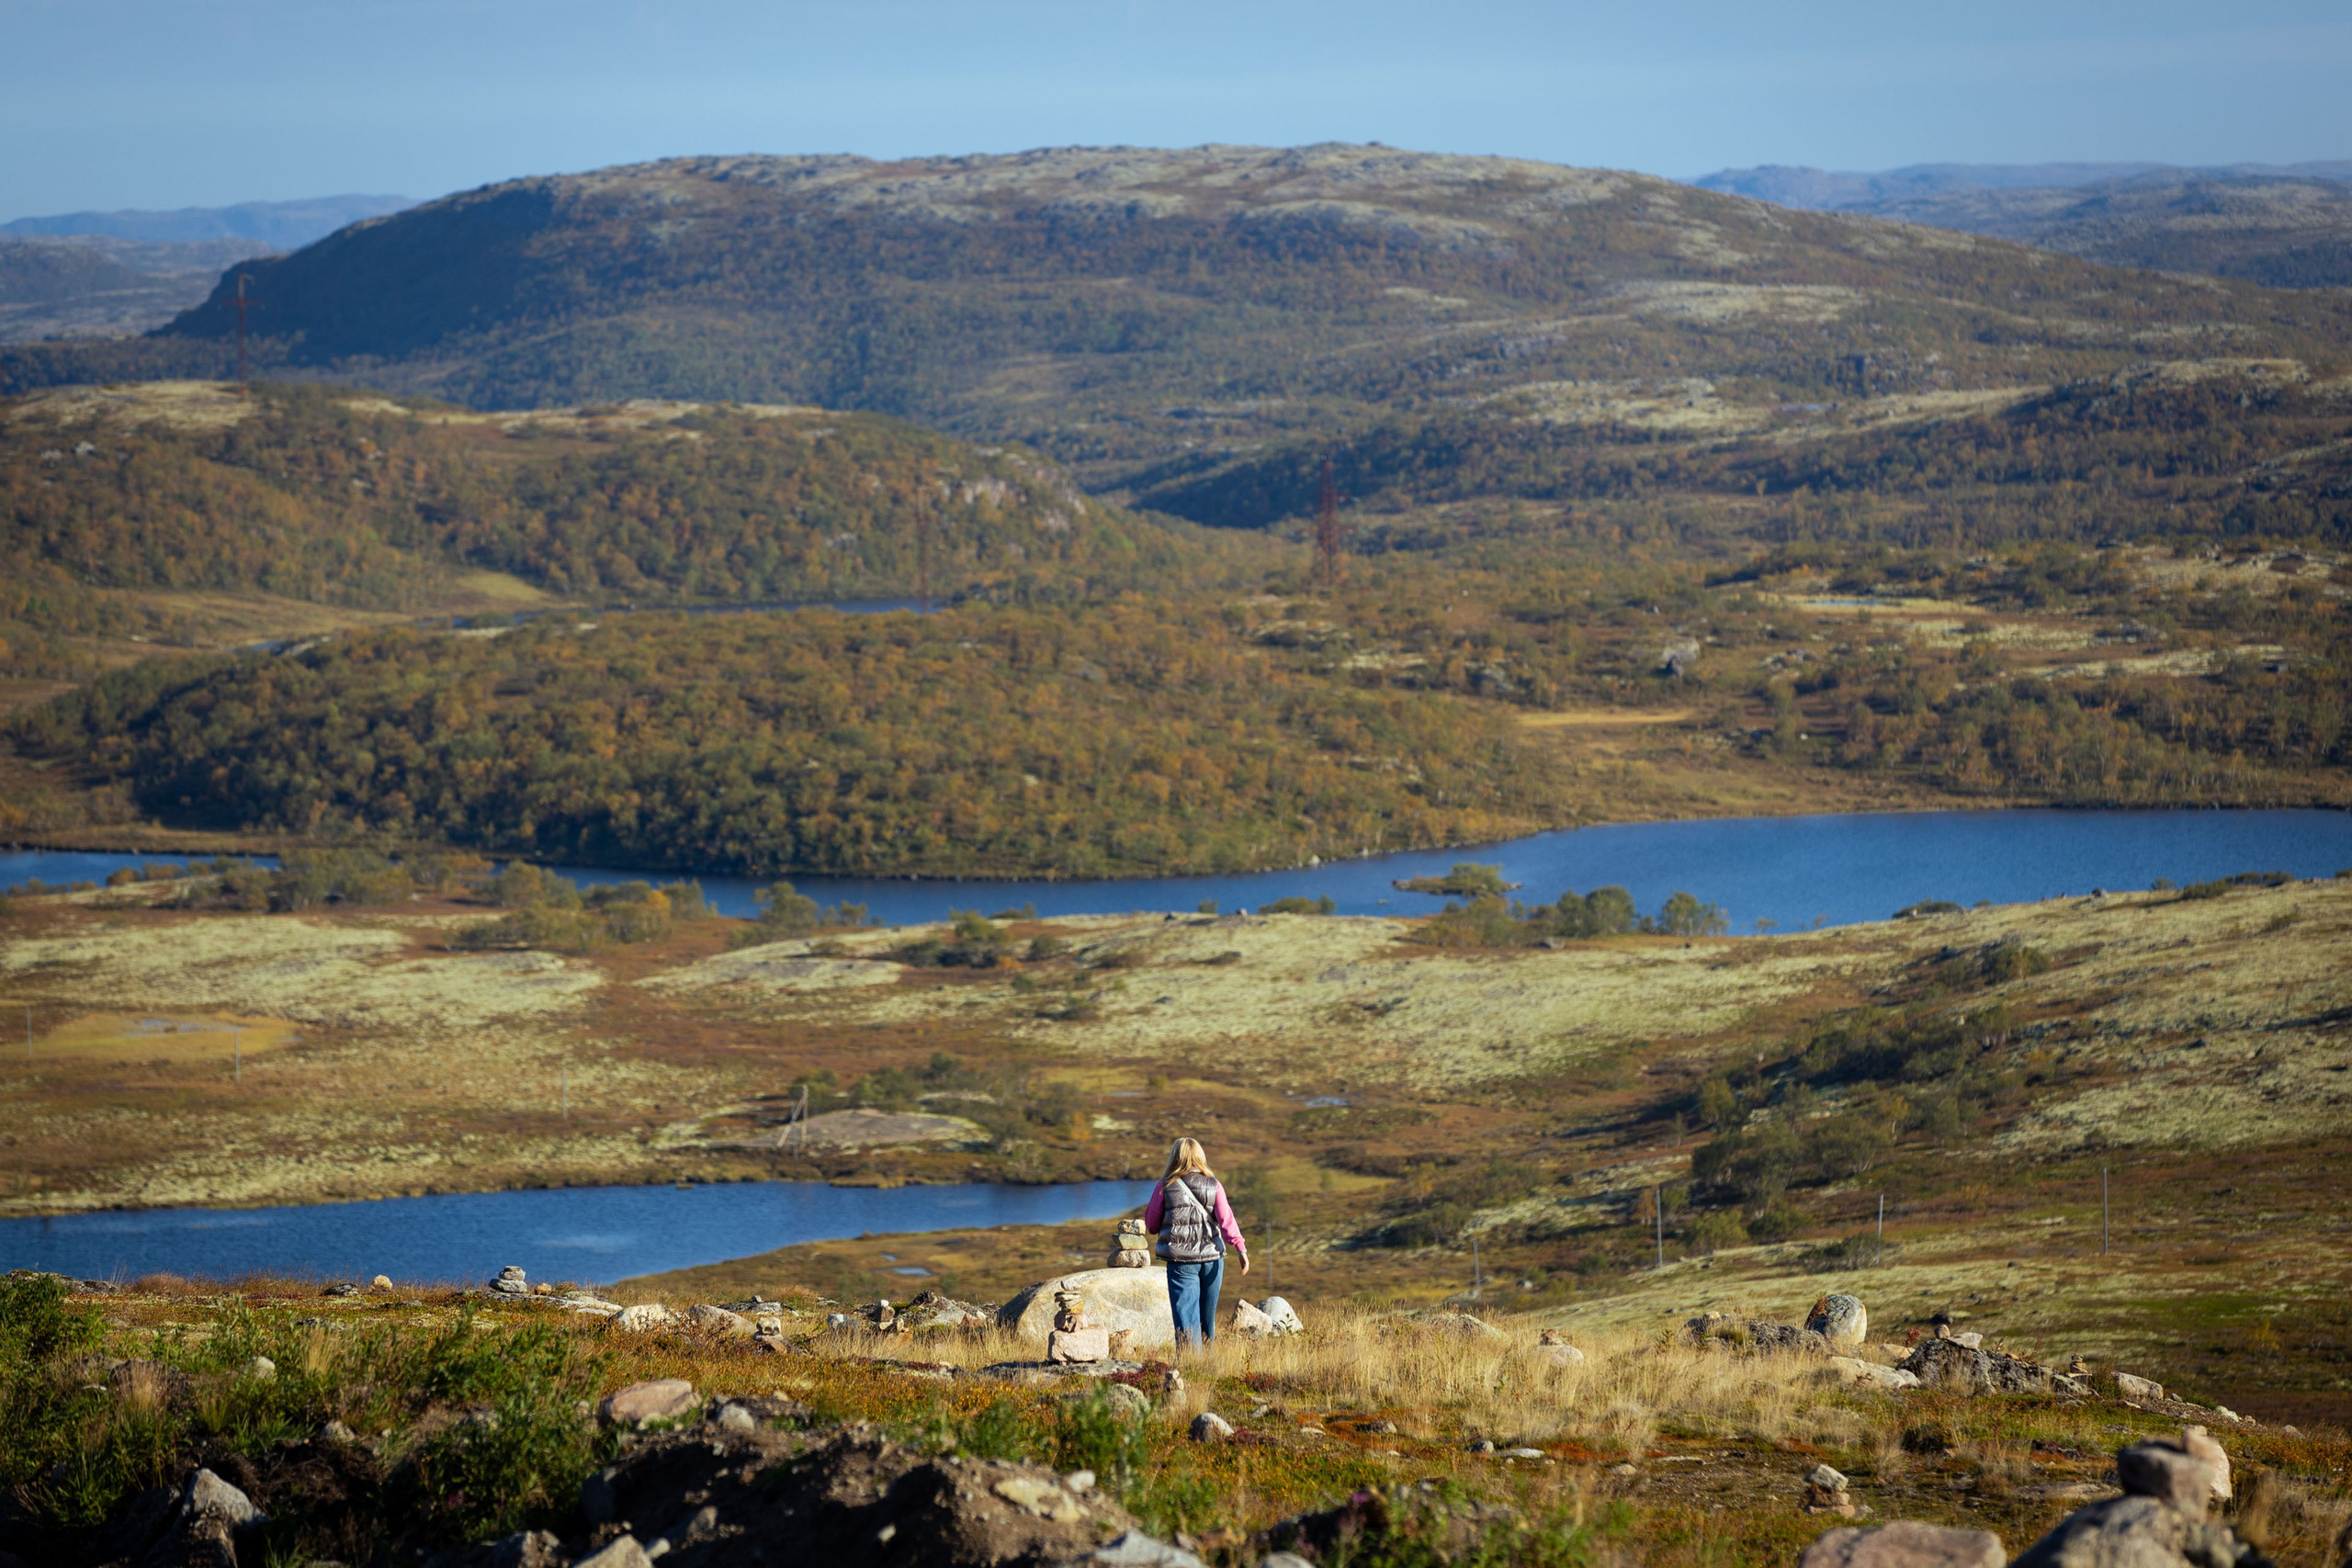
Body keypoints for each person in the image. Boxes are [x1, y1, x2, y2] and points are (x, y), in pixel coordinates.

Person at [1144, 1136, 1248, 1348]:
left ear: (1175, 1158)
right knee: (1206, 1324)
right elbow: (1226, 1221)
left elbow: (1151, 1225)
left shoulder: (1164, 1187)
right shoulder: (1214, 1185)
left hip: (1181, 1263)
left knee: (1186, 1324)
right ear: (1200, 1157)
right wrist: (1241, 1248)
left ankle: (1192, 1369)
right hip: (1213, 1261)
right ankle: (1207, 1370)